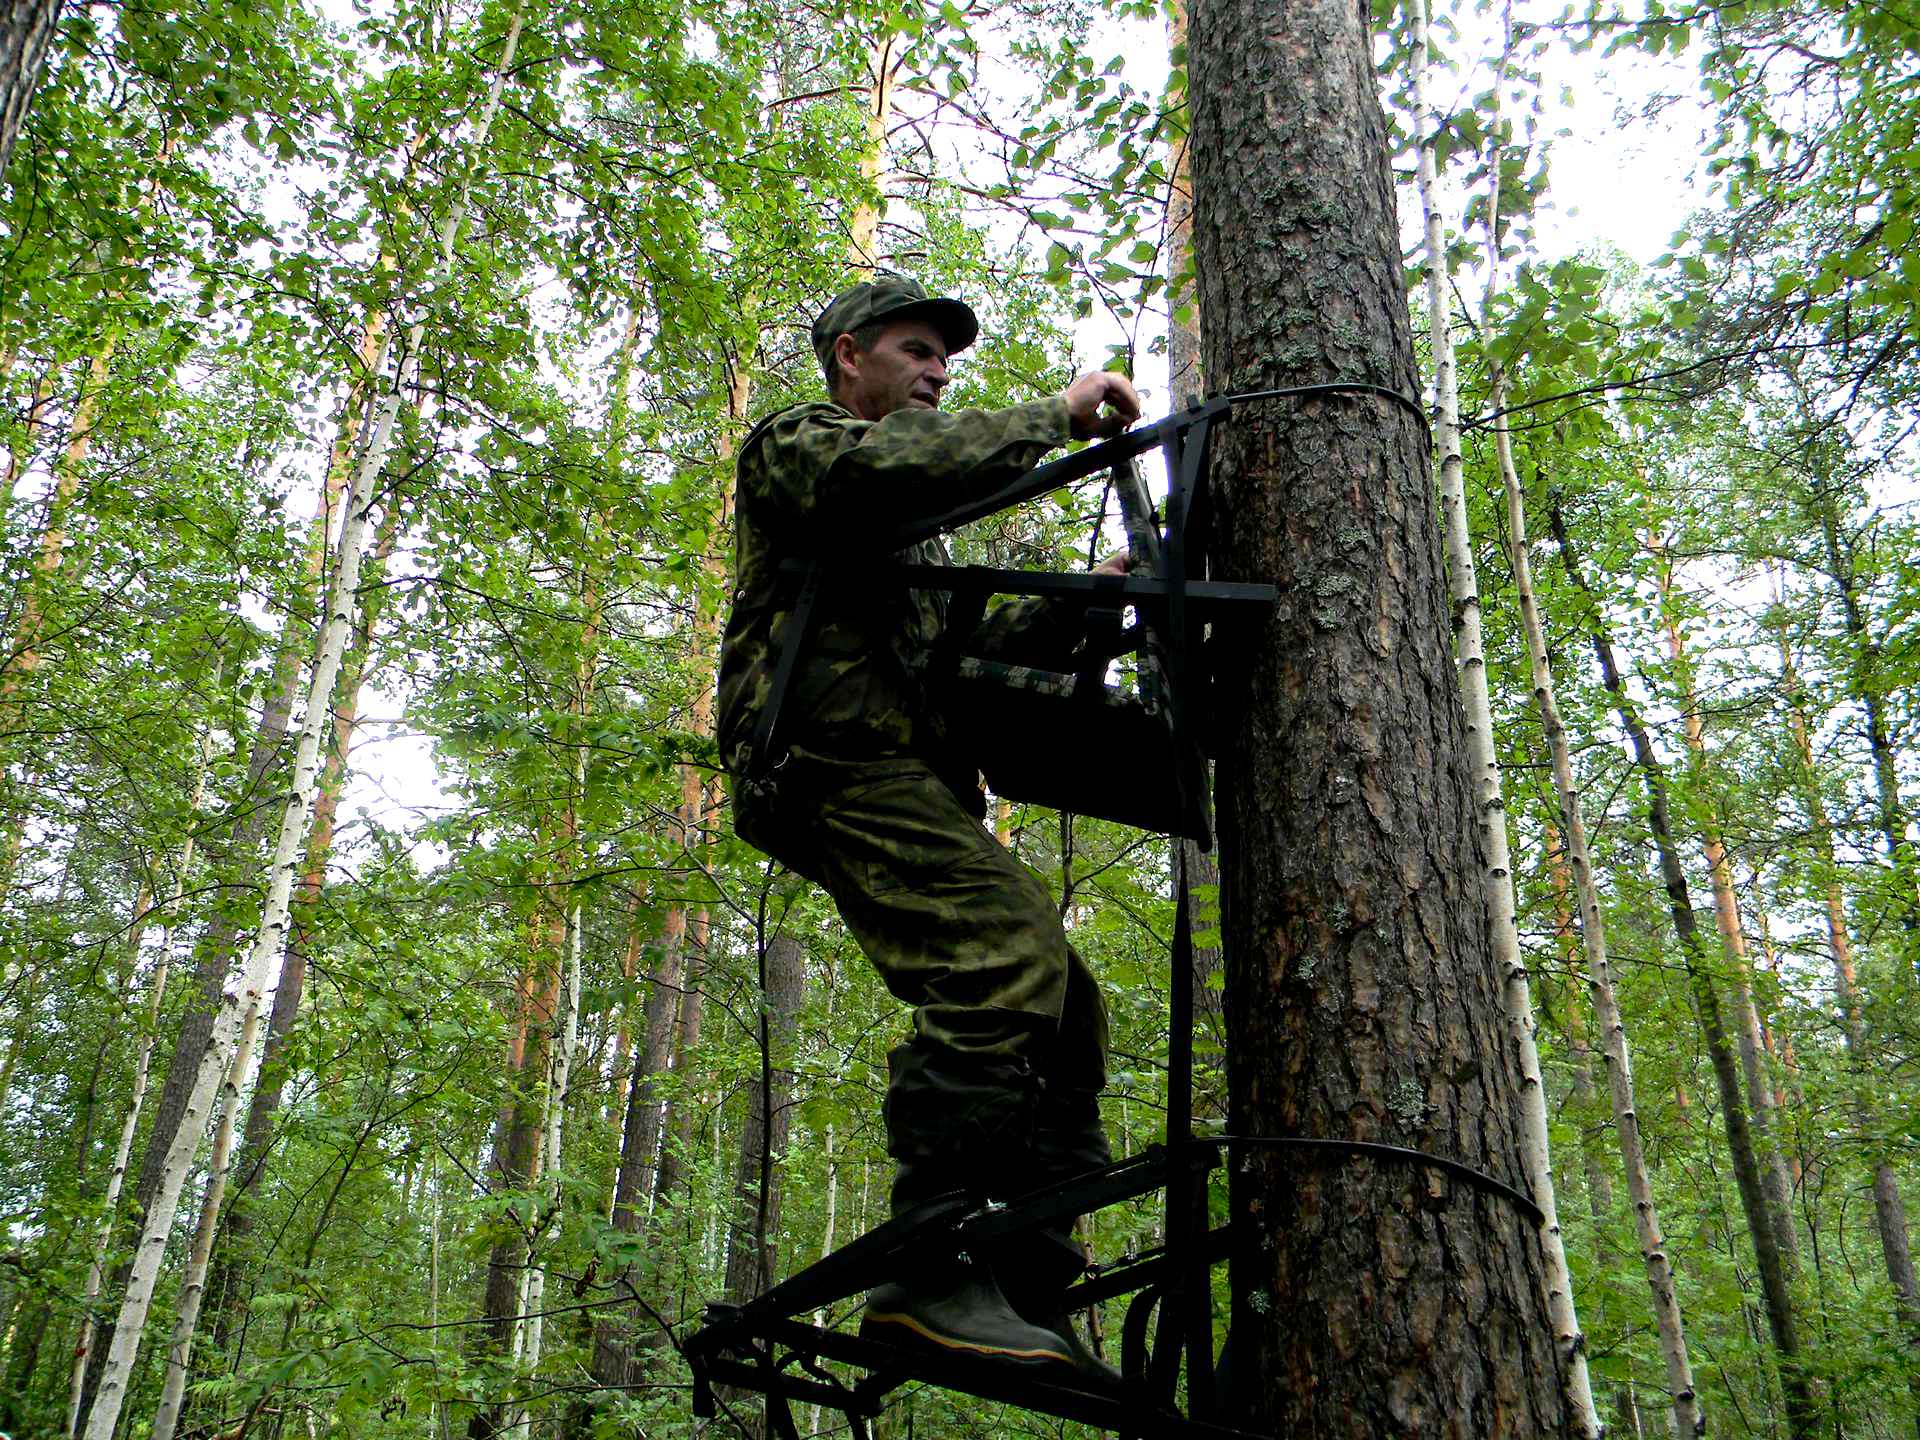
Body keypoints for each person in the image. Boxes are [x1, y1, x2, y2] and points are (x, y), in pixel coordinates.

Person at [715, 274, 1142, 1383]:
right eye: (915, 351)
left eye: (945, 361)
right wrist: (1053, 417)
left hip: (896, 767)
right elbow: (889, 470)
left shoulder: (907, 542)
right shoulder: (801, 449)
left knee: (1067, 998)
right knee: (1000, 957)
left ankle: (1032, 1258)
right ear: (849, 356)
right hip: (829, 763)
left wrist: (1084, 595)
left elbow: (957, 659)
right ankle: (930, 1267)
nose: (938, 374)